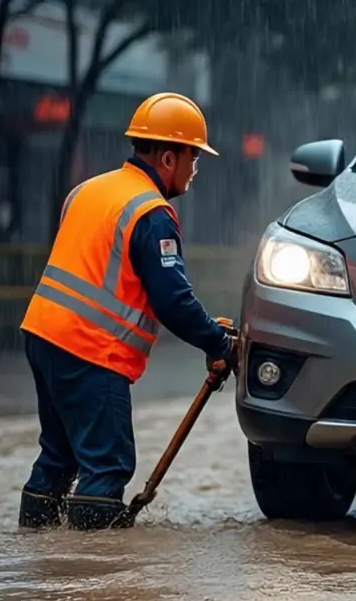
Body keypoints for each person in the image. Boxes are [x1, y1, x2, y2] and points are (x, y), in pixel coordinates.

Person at [17, 92, 239, 531]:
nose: (195, 169)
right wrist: (218, 343)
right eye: (194, 157)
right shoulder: (152, 213)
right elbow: (173, 301)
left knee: (59, 456)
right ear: (169, 158)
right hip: (90, 350)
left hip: (42, 335)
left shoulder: (87, 190)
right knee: (108, 463)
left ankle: (37, 551)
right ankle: (95, 566)